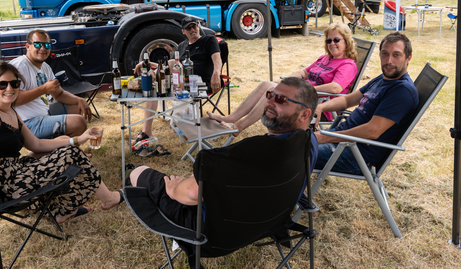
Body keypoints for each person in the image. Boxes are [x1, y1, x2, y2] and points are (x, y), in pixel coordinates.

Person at [0, 61, 122, 224]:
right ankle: (109, 199)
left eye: (14, 84)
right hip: (5, 187)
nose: (9, 89)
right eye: (2, 84)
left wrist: (78, 139)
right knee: (71, 154)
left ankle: (63, 212)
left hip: (17, 173)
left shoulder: (11, 113)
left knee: (62, 147)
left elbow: (37, 145)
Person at [128, 77, 319, 229]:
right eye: (270, 95)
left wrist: (174, 188)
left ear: (305, 114)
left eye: (281, 100)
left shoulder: (247, 153)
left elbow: (192, 193)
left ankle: (124, 193)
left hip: (212, 231)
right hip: (269, 223)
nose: (269, 102)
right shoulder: (309, 142)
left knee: (138, 172)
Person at [208, 22, 357, 135]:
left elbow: (336, 88)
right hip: (301, 94)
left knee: (272, 90)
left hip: (316, 103)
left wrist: (305, 89)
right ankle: (231, 118)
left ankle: (239, 127)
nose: (332, 44)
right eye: (328, 41)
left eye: (336, 40)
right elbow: (304, 73)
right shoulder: (325, 58)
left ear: (346, 41)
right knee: (267, 84)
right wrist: (286, 81)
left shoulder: (347, 64)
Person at [313, 32, 419, 175]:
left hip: (354, 154)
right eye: (385, 54)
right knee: (291, 139)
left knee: (292, 150)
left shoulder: (402, 91)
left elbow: (372, 131)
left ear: (408, 58)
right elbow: (347, 100)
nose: (389, 61)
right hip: (342, 139)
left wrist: (325, 137)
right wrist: (321, 107)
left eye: (396, 55)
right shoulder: (383, 78)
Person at [131, 16, 222, 144]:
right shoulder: (182, 46)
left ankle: (190, 129)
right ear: (183, 31)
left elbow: (217, 59)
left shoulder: (208, 40)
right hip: (180, 83)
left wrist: (216, 73)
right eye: (188, 28)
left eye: (194, 26)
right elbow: (169, 65)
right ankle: (146, 132)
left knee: (160, 82)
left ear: (198, 27)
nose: (192, 30)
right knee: (154, 86)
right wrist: (147, 63)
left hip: (199, 84)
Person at [10, 29, 92, 140]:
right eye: (38, 44)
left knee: (77, 107)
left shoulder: (45, 66)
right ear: (28, 46)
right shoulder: (19, 66)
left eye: (47, 45)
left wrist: (79, 100)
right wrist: (43, 89)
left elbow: (58, 94)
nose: (43, 48)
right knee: (79, 122)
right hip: (26, 123)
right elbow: (13, 99)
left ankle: (62, 149)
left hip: (45, 112)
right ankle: (52, 150)